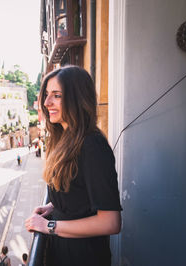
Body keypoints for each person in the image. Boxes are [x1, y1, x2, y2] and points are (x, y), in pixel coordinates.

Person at [24, 66, 122, 266]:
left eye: (57, 95)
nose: (46, 102)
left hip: (83, 257)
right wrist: (53, 206)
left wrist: (49, 225)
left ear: (77, 99)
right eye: (46, 95)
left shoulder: (92, 145)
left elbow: (111, 222)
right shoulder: (67, 140)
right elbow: (80, 192)